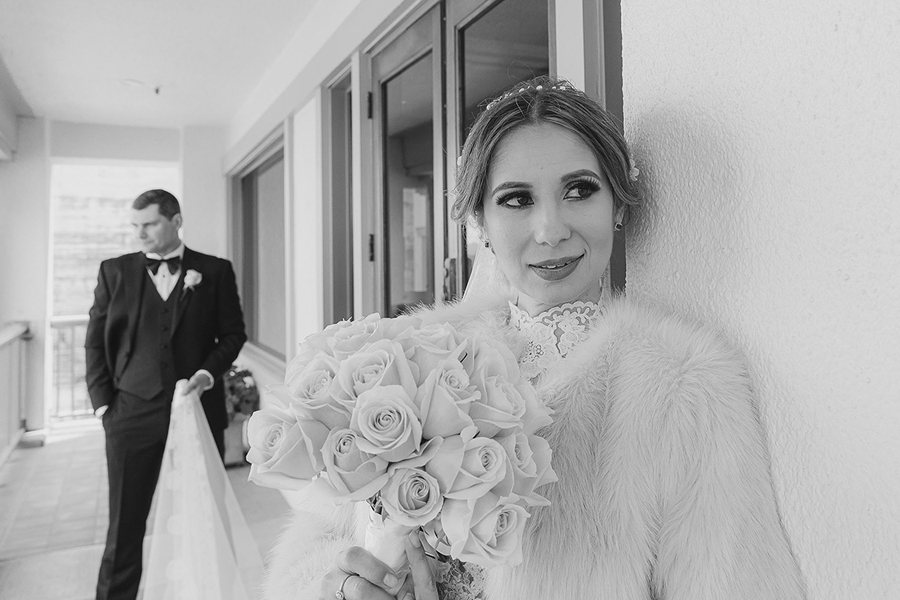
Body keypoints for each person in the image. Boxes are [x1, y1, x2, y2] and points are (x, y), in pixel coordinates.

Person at [261, 76, 806, 600]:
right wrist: (343, 584)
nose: (550, 229)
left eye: (579, 190)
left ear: (617, 206)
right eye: (517, 199)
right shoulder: (410, 358)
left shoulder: (685, 389)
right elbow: (319, 542)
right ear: (480, 221)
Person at [85, 189, 247, 600]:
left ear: (176, 221)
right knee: (124, 527)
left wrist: (207, 375)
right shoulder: (114, 271)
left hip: (196, 413)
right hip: (129, 414)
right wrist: (105, 405)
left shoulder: (215, 271)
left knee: (210, 518)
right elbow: (94, 341)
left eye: (150, 224)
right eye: (134, 226)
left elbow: (233, 334)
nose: (140, 234)